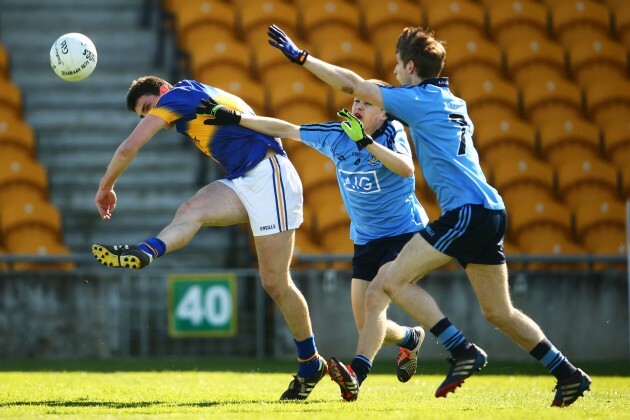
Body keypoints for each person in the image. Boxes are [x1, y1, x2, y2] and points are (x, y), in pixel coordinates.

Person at [264, 24, 592, 407]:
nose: (395, 73)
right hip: (491, 210)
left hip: (466, 211)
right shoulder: (453, 100)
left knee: (391, 283)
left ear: (410, 66)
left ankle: (461, 349)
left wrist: (302, 58)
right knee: (499, 311)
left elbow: (352, 85)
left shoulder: (416, 98)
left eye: (398, 66)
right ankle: (568, 373)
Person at [91, 75, 327, 401]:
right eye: (144, 116)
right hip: (243, 178)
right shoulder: (190, 93)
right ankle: (148, 250)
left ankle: (310, 363)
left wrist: (106, 186)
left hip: (270, 174)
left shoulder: (176, 97)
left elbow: (130, 146)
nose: (149, 118)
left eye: (148, 108)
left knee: (275, 282)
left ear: (162, 91)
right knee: (193, 209)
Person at [196, 80, 429, 399]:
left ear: (385, 113)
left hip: (406, 233)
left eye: (368, 102)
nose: (358, 106)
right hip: (366, 239)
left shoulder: (393, 132)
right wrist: (236, 118)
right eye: (357, 100)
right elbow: (287, 129)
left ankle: (355, 377)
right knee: (368, 323)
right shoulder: (336, 135)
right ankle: (410, 338)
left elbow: (404, 168)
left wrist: (366, 142)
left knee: (376, 297)